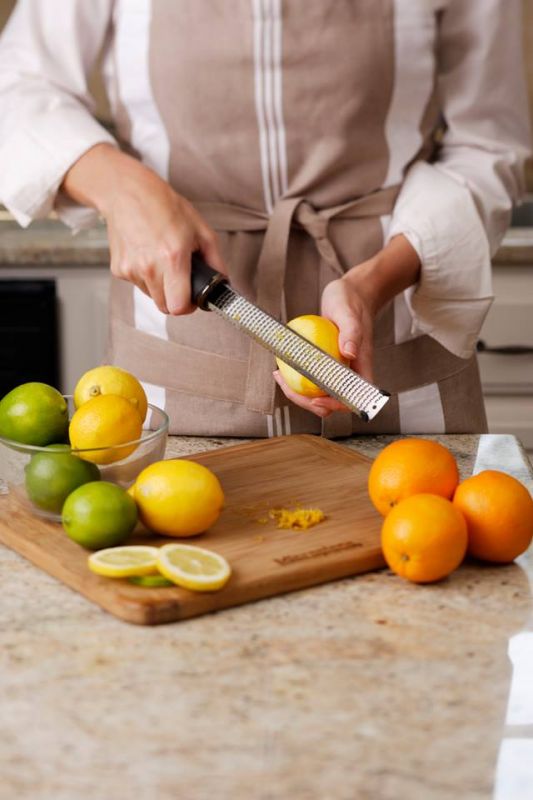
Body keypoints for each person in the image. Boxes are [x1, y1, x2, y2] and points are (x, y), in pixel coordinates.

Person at [0, 0, 530, 438]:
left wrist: (375, 283)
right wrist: (119, 187)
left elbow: (489, 148)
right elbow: (17, 88)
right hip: (173, 385)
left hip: (403, 370)